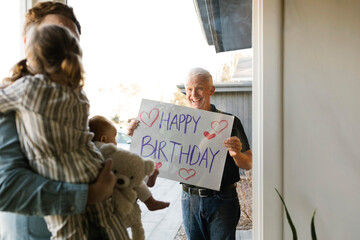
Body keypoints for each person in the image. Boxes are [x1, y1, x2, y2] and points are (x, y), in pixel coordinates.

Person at [0, 2, 129, 240]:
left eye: (71, 41)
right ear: (29, 41)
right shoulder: (14, 98)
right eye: (56, 34)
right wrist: (89, 194)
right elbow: (4, 188)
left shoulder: (71, 96)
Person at [127, 67, 252, 240]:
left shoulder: (229, 122)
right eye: (189, 89)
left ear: (211, 90)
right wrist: (137, 132)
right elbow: (155, 143)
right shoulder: (176, 123)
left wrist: (236, 154)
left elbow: (248, 163)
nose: (194, 94)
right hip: (189, 198)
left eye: (199, 87)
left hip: (222, 199)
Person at [88, 115, 170, 211]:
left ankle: (149, 178)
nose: (116, 143)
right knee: (136, 180)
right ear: (103, 139)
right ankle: (150, 201)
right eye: (114, 138)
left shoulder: (89, 149)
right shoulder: (104, 149)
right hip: (116, 180)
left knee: (135, 177)